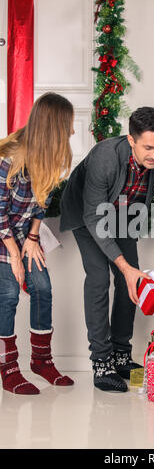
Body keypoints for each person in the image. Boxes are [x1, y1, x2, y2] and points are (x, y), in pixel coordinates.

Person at [60, 107, 154, 393]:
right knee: (100, 277)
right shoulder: (105, 157)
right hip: (87, 214)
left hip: (125, 213)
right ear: (131, 140)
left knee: (134, 280)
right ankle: (102, 362)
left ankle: (120, 353)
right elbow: (93, 217)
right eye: (148, 147)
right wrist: (123, 266)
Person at [0, 92, 75, 395]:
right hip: (2, 232)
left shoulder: (52, 155)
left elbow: (41, 201)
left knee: (42, 287)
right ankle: (7, 366)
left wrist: (33, 239)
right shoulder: (9, 159)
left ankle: (41, 360)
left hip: (22, 233)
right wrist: (15, 255)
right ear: (54, 126)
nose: (72, 131)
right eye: (68, 124)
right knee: (7, 294)